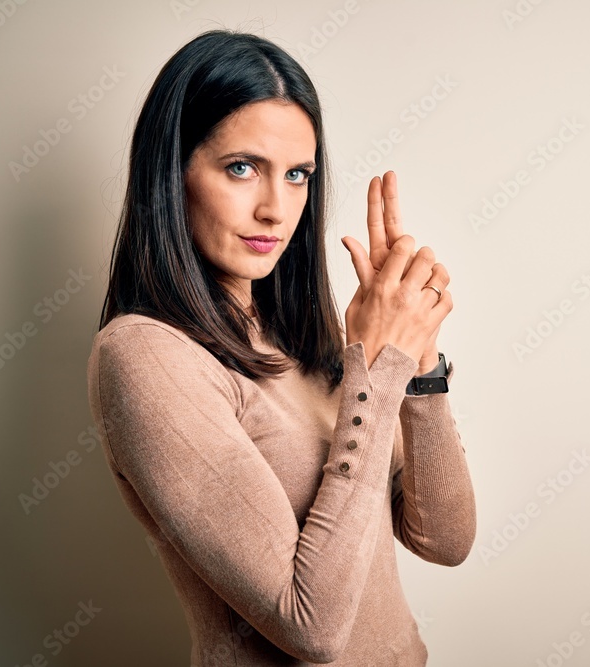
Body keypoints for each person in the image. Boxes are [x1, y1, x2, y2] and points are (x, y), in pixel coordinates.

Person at [86, 29, 476, 666]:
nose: (276, 208)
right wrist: (379, 374)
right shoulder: (146, 356)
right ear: (172, 171)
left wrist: (419, 361)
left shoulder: (304, 333)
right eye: (242, 168)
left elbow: (446, 538)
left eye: (297, 175)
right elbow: (311, 628)